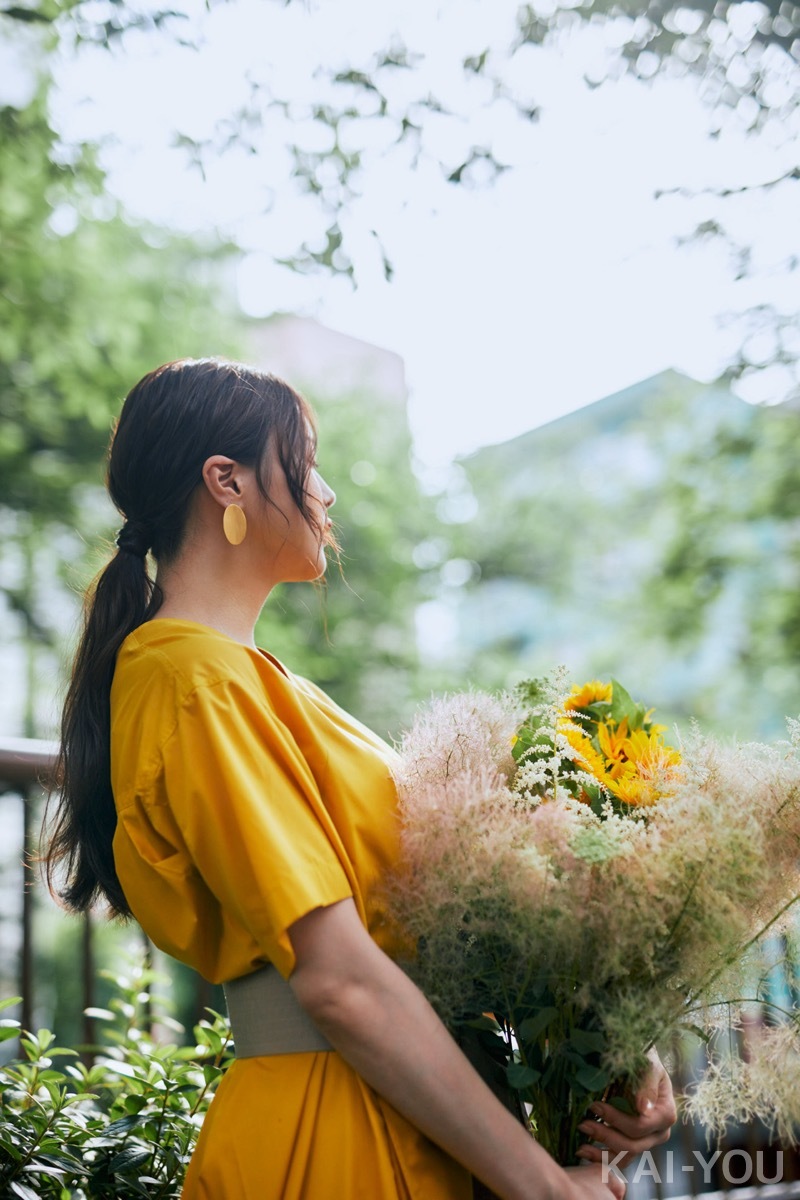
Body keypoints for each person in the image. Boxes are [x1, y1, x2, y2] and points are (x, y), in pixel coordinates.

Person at [45, 358, 676, 1200]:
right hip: (334, 1137)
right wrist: (545, 1185)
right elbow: (340, 982)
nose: (327, 492)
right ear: (225, 481)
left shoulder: (249, 679)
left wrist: (620, 1047)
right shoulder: (195, 681)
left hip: (398, 1120)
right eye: (306, 462)